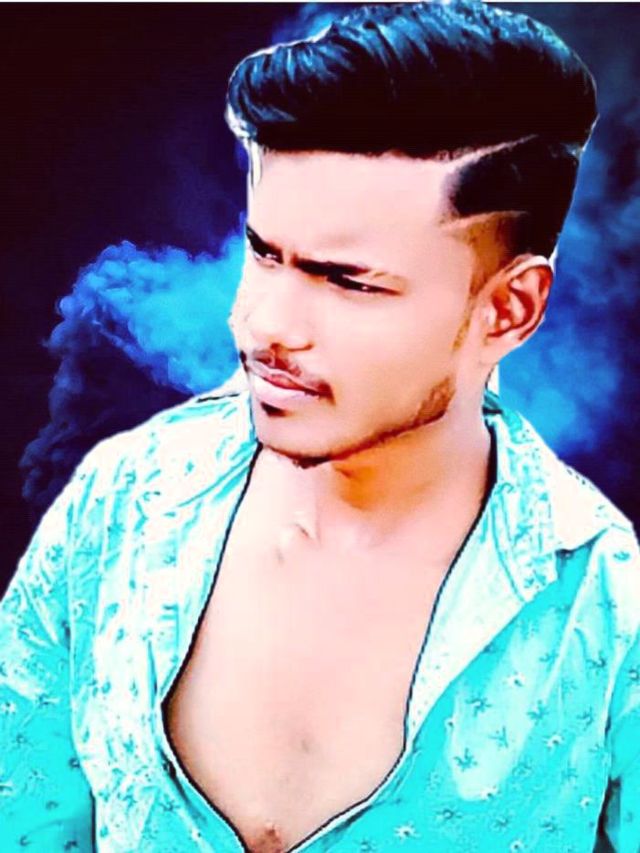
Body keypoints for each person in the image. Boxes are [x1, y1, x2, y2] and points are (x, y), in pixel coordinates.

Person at [1, 2, 638, 851]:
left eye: (349, 281)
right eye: (264, 253)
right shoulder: (119, 504)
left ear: (509, 309)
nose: (264, 324)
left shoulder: (608, 605)